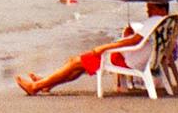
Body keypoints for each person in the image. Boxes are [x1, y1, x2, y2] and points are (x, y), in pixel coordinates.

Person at [15, 22, 150, 95]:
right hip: (136, 59)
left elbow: (134, 41)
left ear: (160, 8)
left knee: (75, 62)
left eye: (151, 7)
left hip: (123, 61)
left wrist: (105, 47)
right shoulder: (162, 23)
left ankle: (35, 86)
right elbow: (137, 40)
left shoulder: (153, 22)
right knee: (76, 64)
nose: (148, 9)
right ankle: (47, 84)